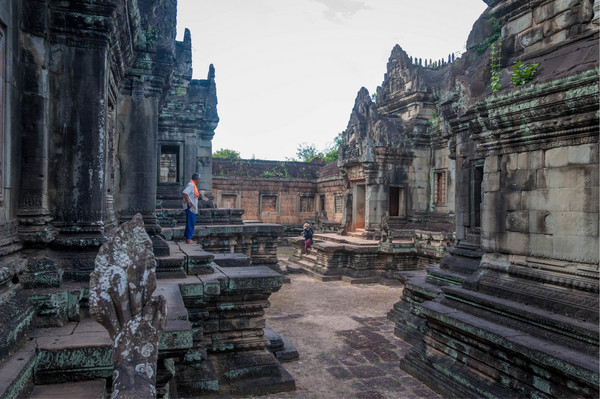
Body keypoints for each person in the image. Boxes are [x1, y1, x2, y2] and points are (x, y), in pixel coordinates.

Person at [182, 173, 201, 244]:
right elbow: (184, 193)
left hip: (191, 207)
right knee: (191, 222)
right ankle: (189, 239)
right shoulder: (191, 185)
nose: (199, 181)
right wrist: (189, 203)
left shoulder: (193, 185)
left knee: (190, 222)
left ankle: (188, 238)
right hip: (190, 207)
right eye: (199, 179)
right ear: (197, 179)